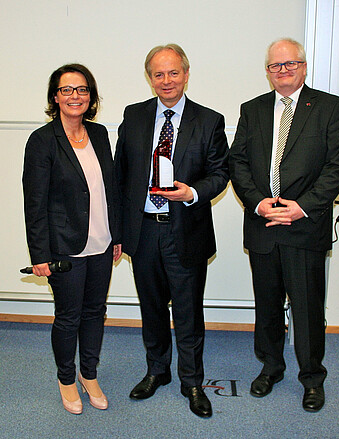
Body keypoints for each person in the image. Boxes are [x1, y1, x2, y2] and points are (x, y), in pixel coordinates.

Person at [229, 38, 339, 412]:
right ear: (267, 71)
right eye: (274, 66)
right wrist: (257, 202)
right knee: (266, 305)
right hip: (264, 223)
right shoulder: (252, 110)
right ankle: (271, 367)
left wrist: (303, 207)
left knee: (308, 310)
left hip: (304, 226)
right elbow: (238, 163)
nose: (282, 71)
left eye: (289, 64)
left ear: (303, 66)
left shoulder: (329, 108)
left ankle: (313, 378)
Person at [115, 44, 229, 418]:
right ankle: (156, 371)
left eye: (173, 72)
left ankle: (192, 381)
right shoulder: (133, 117)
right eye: (158, 74)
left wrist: (191, 192)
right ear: (150, 78)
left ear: (186, 73)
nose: (167, 81)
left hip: (185, 230)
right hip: (143, 231)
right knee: (151, 308)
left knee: (187, 311)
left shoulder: (209, 120)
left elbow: (220, 174)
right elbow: (120, 176)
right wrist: (117, 231)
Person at [22, 64, 122, 415]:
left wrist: (117, 234)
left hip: (102, 241)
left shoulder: (99, 134)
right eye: (67, 90)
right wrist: (40, 253)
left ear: (91, 97)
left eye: (81, 90)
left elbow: (110, 188)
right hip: (64, 247)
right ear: (55, 97)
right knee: (68, 316)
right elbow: (34, 202)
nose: (75, 96)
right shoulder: (42, 141)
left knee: (96, 312)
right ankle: (67, 380)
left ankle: (89, 374)